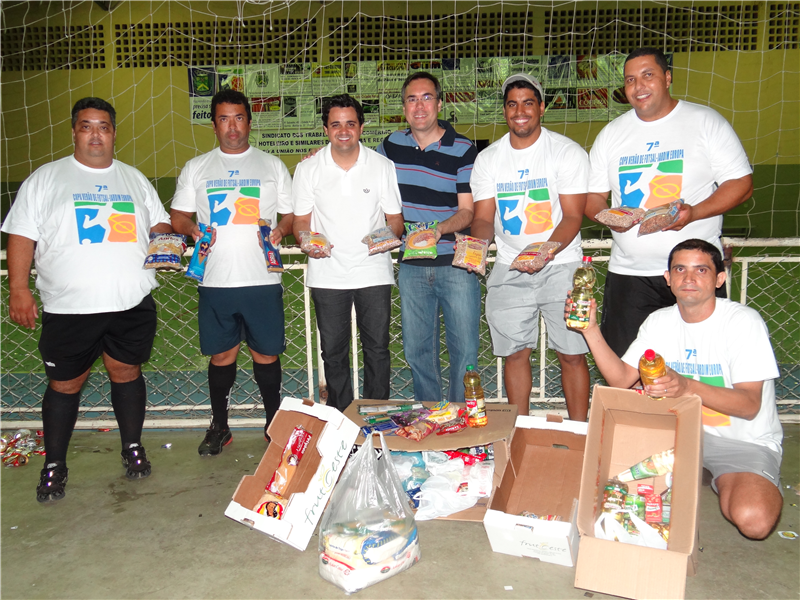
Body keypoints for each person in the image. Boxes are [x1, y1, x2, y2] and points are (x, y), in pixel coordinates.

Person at [2, 97, 173, 502]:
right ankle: (54, 465)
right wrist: (19, 288)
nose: (95, 134)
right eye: (86, 126)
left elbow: (159, 220)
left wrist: (166, 238)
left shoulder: (133, 178)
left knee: (126, 373)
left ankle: (132, 447)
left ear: (114, 132)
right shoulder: (46, 179)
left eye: (103, 126)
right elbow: (22, 235)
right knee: (64, 384)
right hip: (70, 308)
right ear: (74, 131)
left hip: (130, 303)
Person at [570, 239, 783, 540]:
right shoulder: (659, 322)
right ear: (668, 279)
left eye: (701, 270)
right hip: (673, 434)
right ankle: (693, 472)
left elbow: (749, 406)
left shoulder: (742, 322)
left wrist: (685, 385)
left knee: (753, 521)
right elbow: (621, 380)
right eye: (680, 269)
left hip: (741, 442)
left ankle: (721, 475)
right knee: (608, 491)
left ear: (719, 279)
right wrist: (590, 330)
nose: (689, 278)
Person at [586, 47, 753, 357]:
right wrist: (607, 216)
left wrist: (694, 213)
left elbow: (741, 184)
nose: (639, 86)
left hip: (693, 273)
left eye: (648, 75)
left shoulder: (704, 122)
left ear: (667, 77)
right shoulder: (611, 135)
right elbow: (592, 197)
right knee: (628, 372)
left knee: (704, 366)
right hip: (630, 275)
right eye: (630, 79)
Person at [170, 90, 294, 454]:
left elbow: (289, 215)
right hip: (216, 280)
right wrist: (190, 229)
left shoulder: (272, 165)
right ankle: (220, 426)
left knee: (266, 355)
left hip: (262, 279)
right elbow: (178, 215)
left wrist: (282, 230)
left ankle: (273, 427)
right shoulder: (197, 167)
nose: (232, 126)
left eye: (238, 117)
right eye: (224, 119)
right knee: (221, 356)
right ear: (213, 124)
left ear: (249, 121)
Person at [471, 74, 591, 421]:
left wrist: (545, 252)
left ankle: (578, 431)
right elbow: (483, 218)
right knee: (516, 353)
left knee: (571, 353)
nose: (520, 111)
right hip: (509, 266)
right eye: (512, 104)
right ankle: (520, 429)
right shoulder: (489, 159)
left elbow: (572, 216)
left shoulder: (566, 152)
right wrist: (476, 245)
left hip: (561, 264)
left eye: (527, 102)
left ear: (541, 107)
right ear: (505, 110)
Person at [292, 94, 403, 412]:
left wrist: (381, 239)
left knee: (378, 349)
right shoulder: (308, 169)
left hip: (373, 271)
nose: (343, 131)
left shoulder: (382, 166)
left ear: (361, 127)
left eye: (350, 123)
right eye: (336, 124)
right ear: (326, 128)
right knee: (333, 352)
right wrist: (305, 239)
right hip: (327, 273)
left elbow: (395, 220)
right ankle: (341, 417)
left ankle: (375, 413)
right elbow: (300, 220)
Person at [377, 71, 481, 404]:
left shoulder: (464, 149)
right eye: (411, 99)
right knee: (418, 351)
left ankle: (461, 419)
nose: (419, 106)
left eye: (426, 98)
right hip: (412, 266)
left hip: (455, 264)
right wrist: (317, 158)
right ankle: (430, 417)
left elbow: (468, 212)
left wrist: (437, 230)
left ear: (439, 102)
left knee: (464, 350)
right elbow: (356, 167)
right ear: (404, 106)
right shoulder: (390, 146)